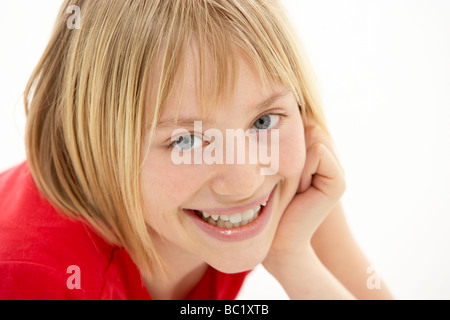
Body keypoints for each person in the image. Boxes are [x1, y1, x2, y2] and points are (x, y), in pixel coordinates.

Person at [0, 0, 392, 299]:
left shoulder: (292, 178)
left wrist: (293, 257)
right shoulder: (33, 278)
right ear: (95, 144)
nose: (245, 181)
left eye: (263, 121)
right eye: (186, 141)